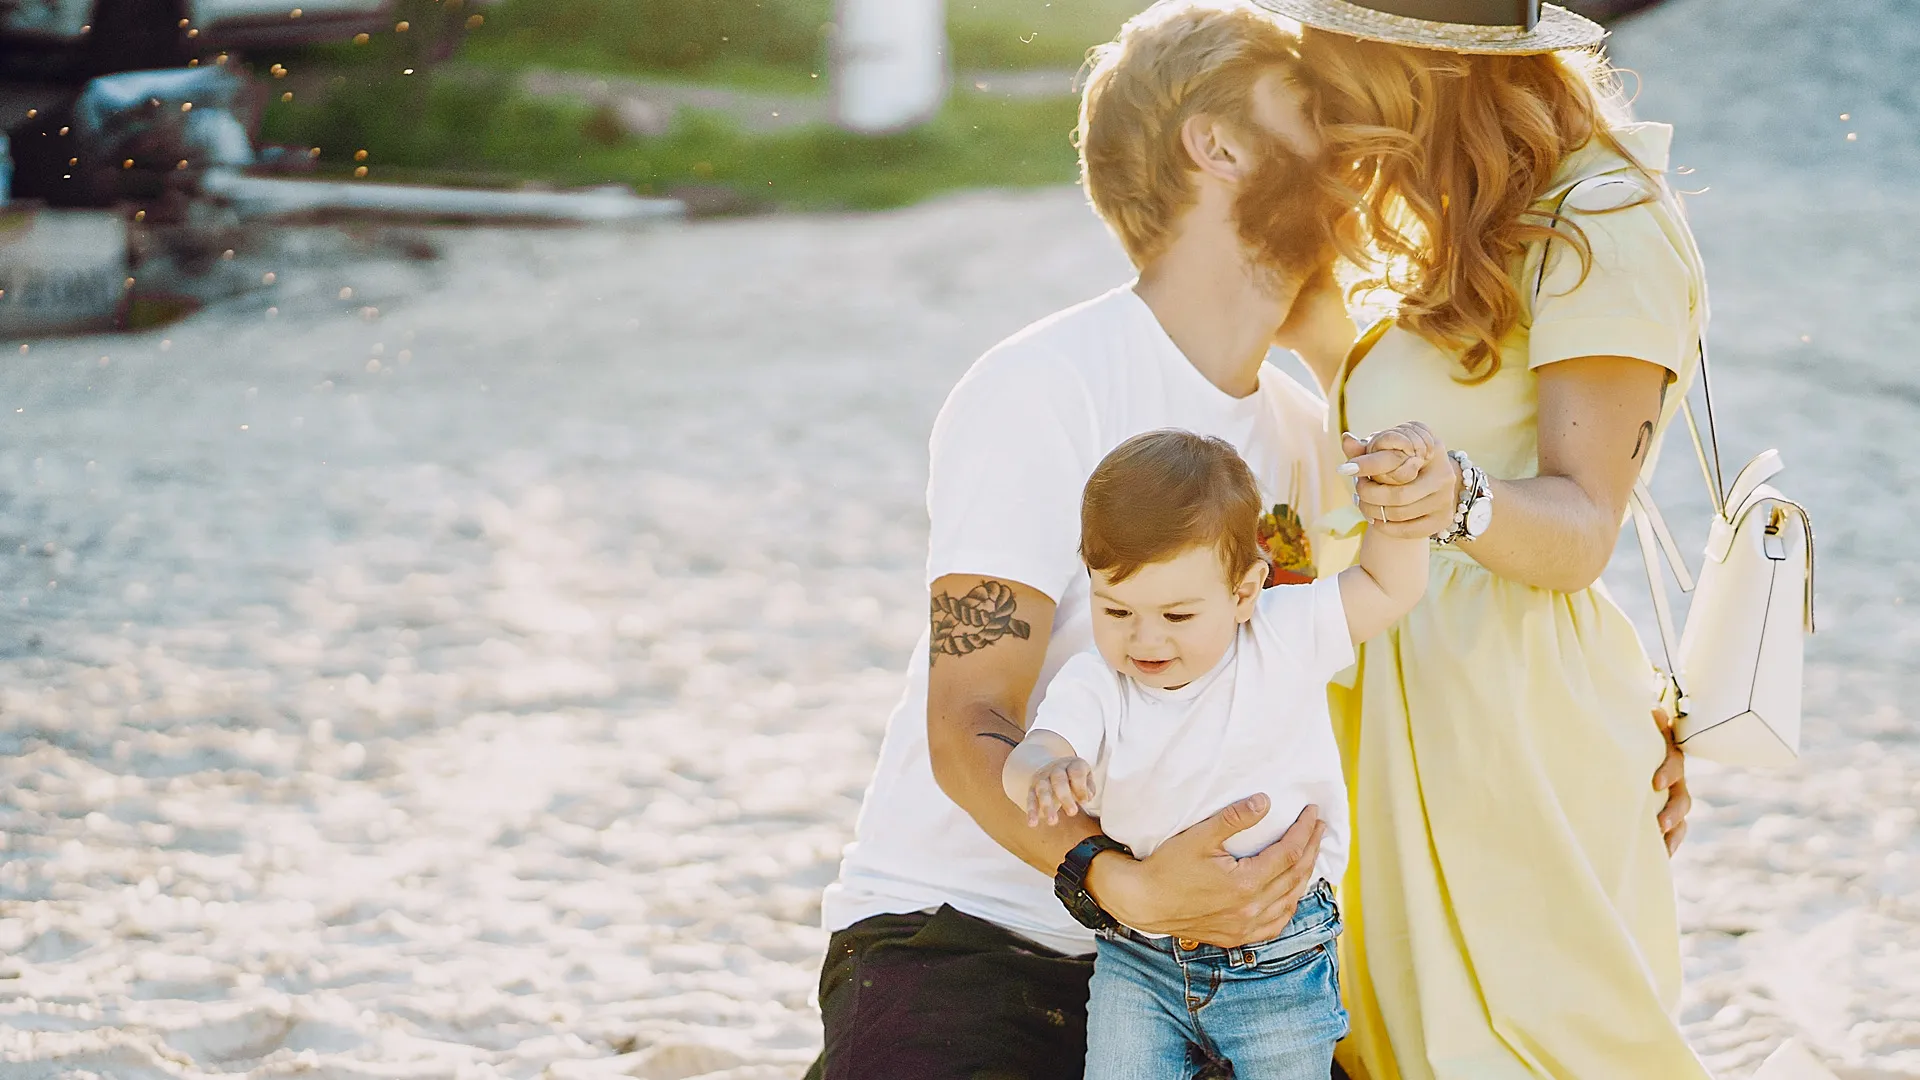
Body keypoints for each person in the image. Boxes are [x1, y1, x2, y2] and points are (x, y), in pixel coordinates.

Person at [804, 2, 1686, 1077]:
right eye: (1318, 108)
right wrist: (1119, 883)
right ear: (1216, 144)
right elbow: (967, 723)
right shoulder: (1046, 387)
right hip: (979, 938)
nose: (1366, 139)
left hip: (1222, 967)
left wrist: (1609, 731)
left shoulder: (1310, 439)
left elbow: (1383, 639)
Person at [1245, 1, 1707, 1076]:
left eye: (1330, 61)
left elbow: (1583, 526)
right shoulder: (1457, 217)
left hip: (1507, 724)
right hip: (1389, 690)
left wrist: (1455, 496)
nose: (1315, 93)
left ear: (1417, 69)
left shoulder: (1606, 221)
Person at [1003, 427, 1430, 1080]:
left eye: (1176, 616)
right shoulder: (1097, 682)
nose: (1145, 639)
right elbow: (1036, 748)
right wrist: (1044, 770)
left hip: (1281, 962)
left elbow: (1386, 586)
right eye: (1115, 610)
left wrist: (1396, 507)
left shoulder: (1282, 635)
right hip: (1138, 958)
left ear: (1243, 592)